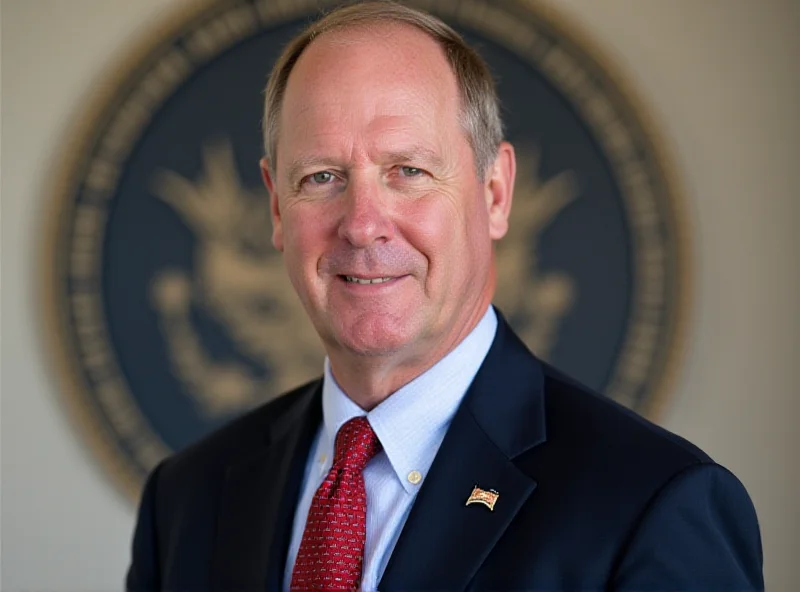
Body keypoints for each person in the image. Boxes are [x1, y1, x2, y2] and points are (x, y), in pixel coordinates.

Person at [126, 2, 764, 590]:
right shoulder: (186, 500)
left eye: (409, 171)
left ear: (494, 193)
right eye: (322, 177)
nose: (362, 222)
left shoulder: (652, 506)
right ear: (274, 206)